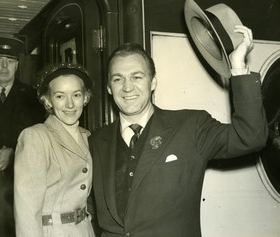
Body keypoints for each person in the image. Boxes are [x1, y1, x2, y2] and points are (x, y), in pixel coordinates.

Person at [88, 25, 268, 237]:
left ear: (153, 82)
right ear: (109, 87)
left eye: (137, 77)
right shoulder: (96, 141)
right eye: (118, 79)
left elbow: (250, 138)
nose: (127, 87)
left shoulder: (191, 126)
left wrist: (238, 67)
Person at [14, 64, 95, 237]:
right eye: (60, 96)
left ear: (85, 98)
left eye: (76, 95)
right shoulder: (35, 137)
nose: (70, 104)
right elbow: (27, 213)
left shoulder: (88, 137)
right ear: (48, 101)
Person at [0, 36, 45, 237]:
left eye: (10, 61)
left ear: (17, 65)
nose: (4, 66)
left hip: (19, 187)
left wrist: (14, 153)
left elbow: (42, 142)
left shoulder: (34, 99)